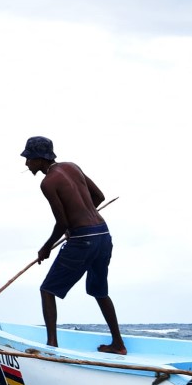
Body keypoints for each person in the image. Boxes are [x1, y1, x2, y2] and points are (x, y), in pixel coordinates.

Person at [22, 136, 125, 354]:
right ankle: (118, 344)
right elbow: (99, 196)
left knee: (47, 290)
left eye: (29, 158)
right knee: (99, 291)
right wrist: (83, 216)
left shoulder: (48, 183)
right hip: (103, 235)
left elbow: (63, 222)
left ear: (40, 159)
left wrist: (46, 247)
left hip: (83, 240)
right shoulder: (72, 167)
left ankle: (51, 346)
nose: (26, 163)